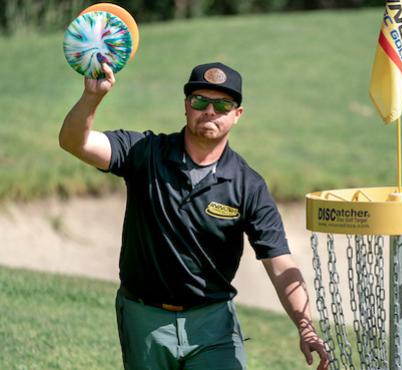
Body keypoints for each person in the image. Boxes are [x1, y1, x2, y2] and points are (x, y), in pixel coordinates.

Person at [59, 62, 329, 370]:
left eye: (223, 104)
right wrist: (92, 98)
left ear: (237, 115)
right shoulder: (145, 151)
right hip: (144, 318)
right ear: (186, 106)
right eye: (200, 101)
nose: (210, 111)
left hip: (213, 322)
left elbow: (279, 262)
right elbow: (74, 142)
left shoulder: (248, 185)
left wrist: (304, 324)